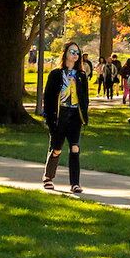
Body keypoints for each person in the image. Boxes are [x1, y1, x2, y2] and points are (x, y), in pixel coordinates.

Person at [42, 43, 90, 193]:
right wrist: (50, 119)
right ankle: (48, 177)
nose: (75, 54)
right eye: (72, 51)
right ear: (65, 54)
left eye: (78, 52)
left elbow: (85, 97)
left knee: (75, 148)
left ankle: (75, 183)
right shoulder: (56, 74)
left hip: (75, 115)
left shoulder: (81, 75)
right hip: (59, 114)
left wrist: (84, 114)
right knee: (57, 148)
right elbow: (48, 97)